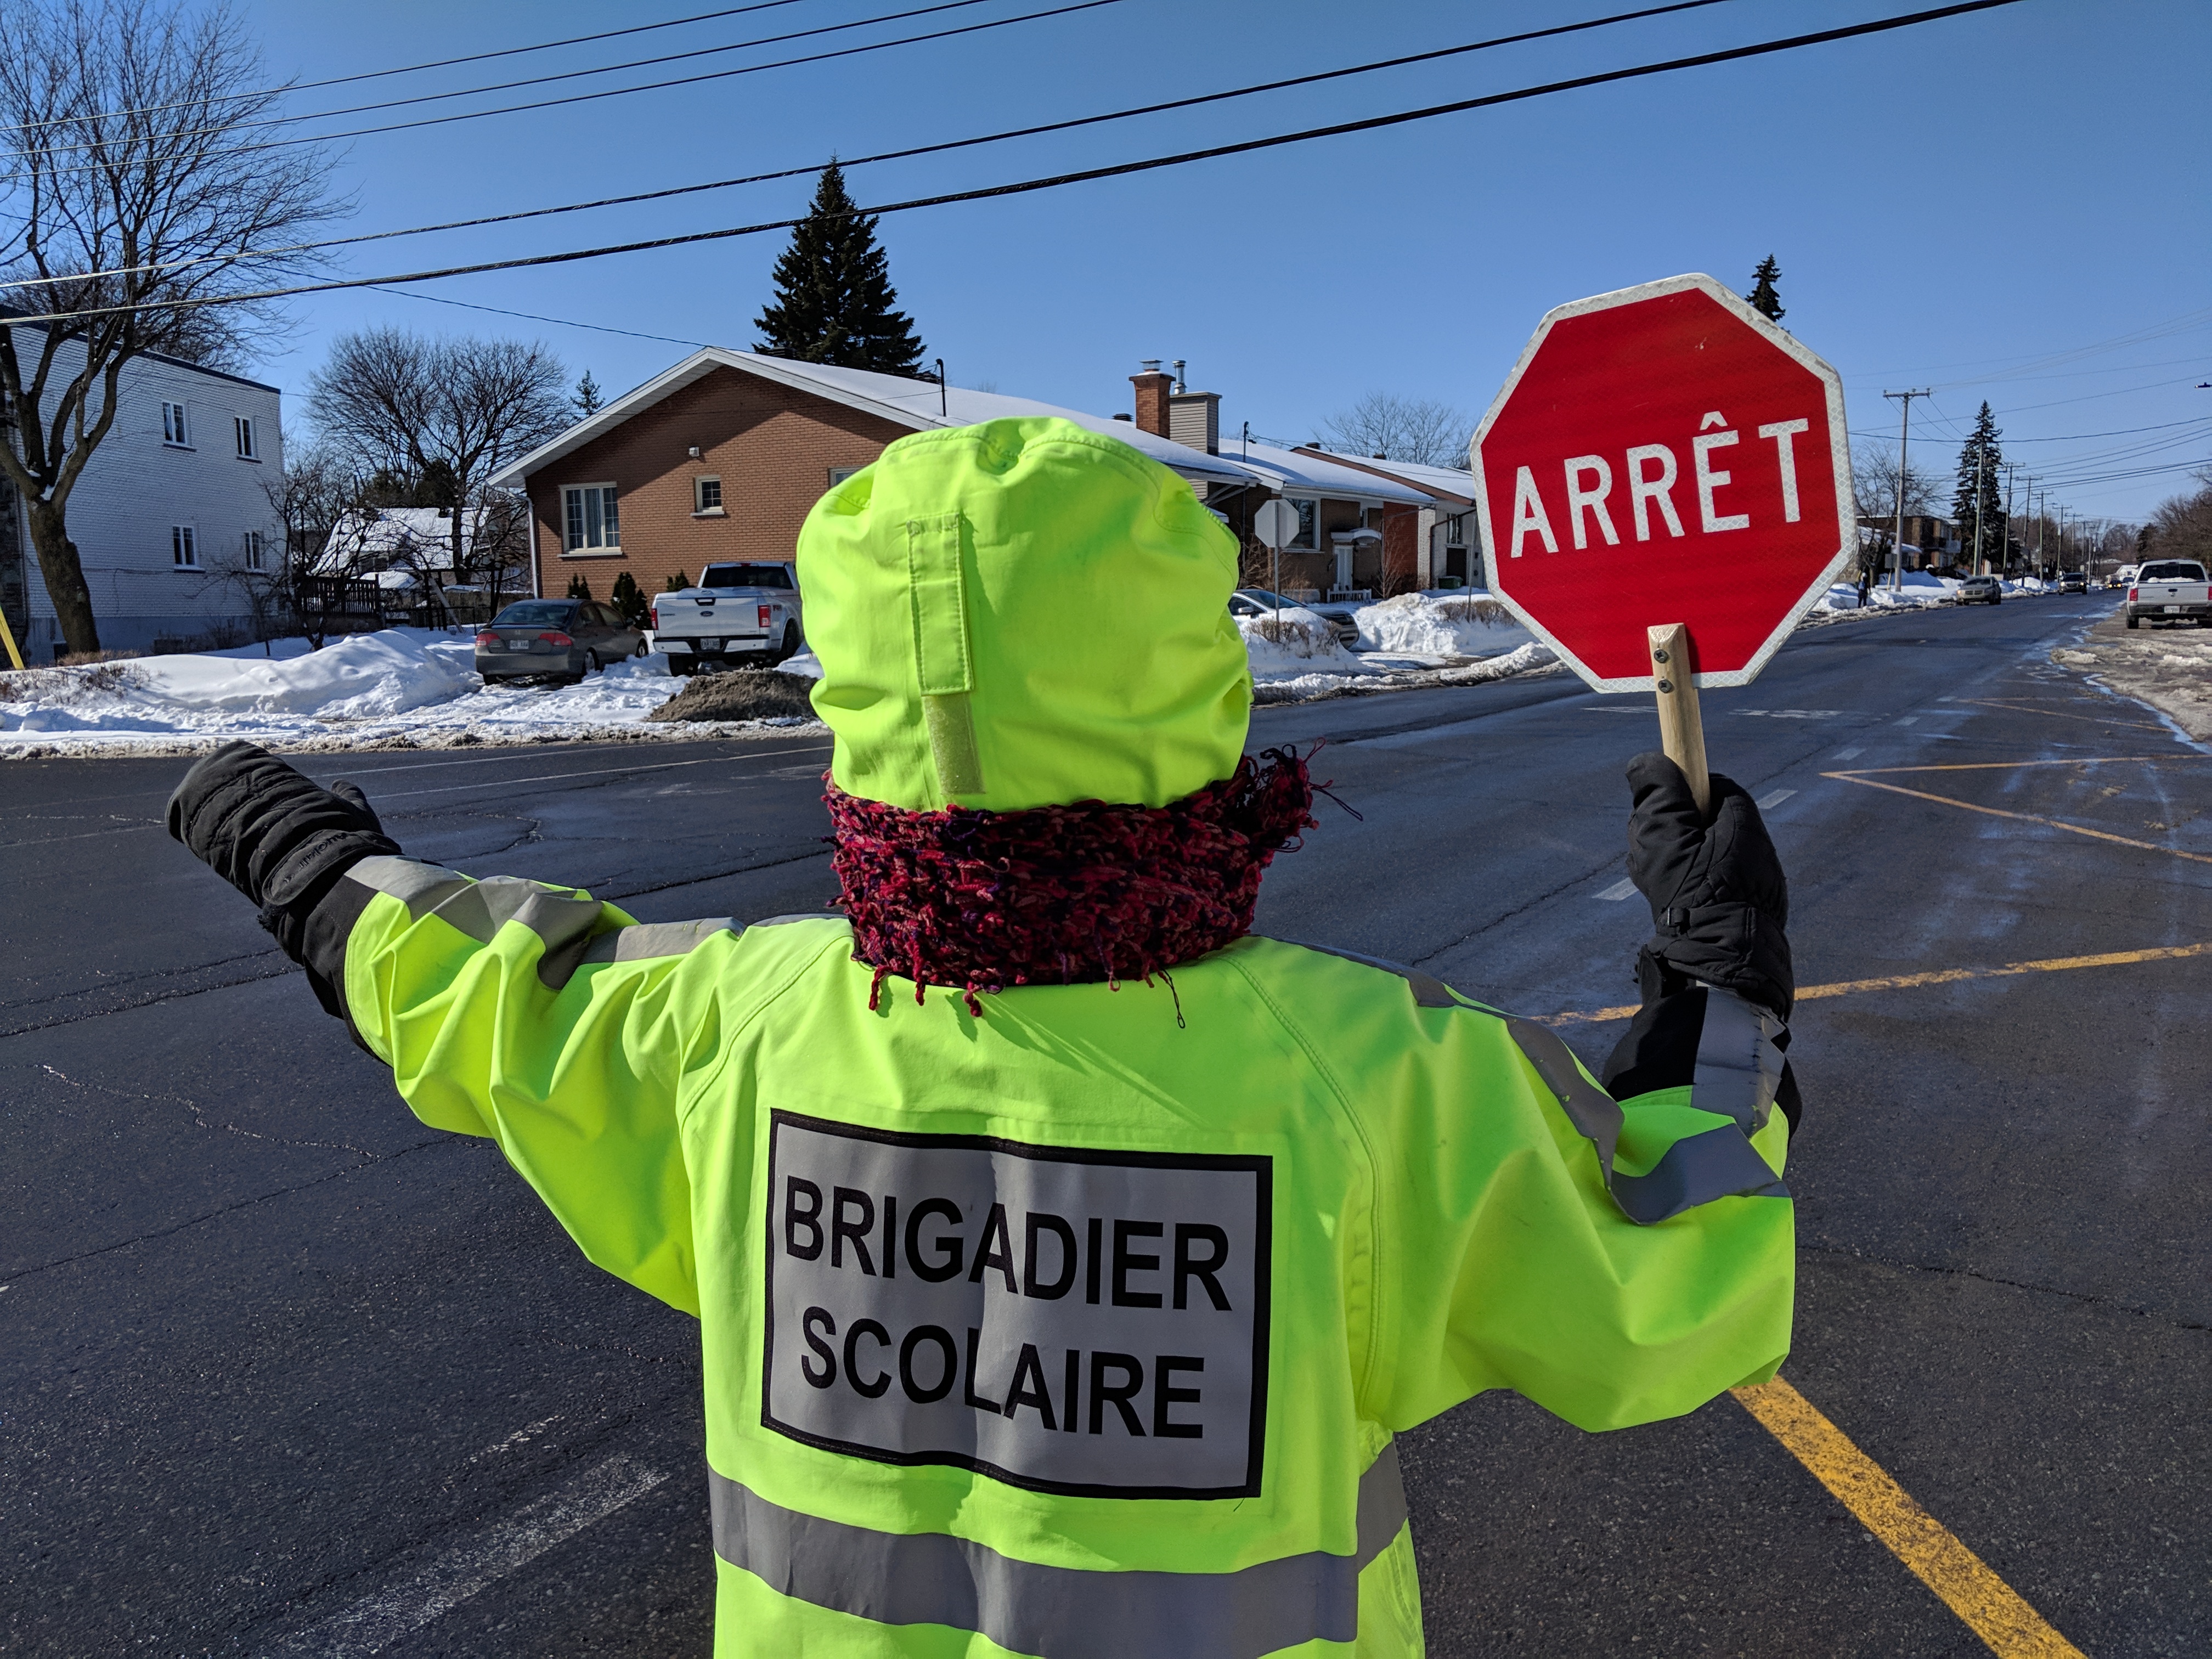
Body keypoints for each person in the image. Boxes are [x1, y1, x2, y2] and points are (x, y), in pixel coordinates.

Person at [169, 416, 1798, 1657]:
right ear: (1194, 687)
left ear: (854, 699)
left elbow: (491, 999)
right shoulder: (1380, 1080)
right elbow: (1666, 1289)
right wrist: (1721, 988)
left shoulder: (738, 1027)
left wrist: (315, 863)